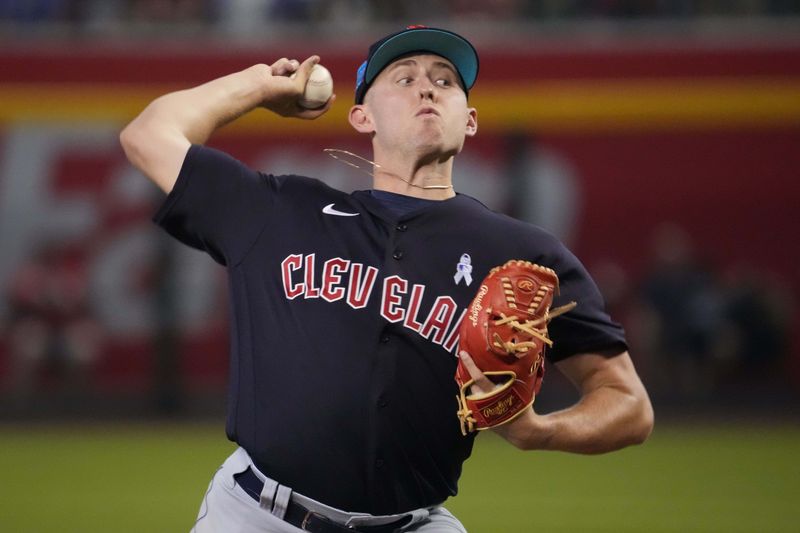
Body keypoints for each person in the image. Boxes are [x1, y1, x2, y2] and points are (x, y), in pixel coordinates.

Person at [120, 26, 653, 533]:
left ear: (468, 121)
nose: (428, 86)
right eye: (404, 78)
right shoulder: (280, 210)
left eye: (446, 80)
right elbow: (148, 135)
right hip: (256, 514)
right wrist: (260, 85)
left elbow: (628, 404)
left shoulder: (523, 255)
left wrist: (541, 431)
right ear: (361, 118)